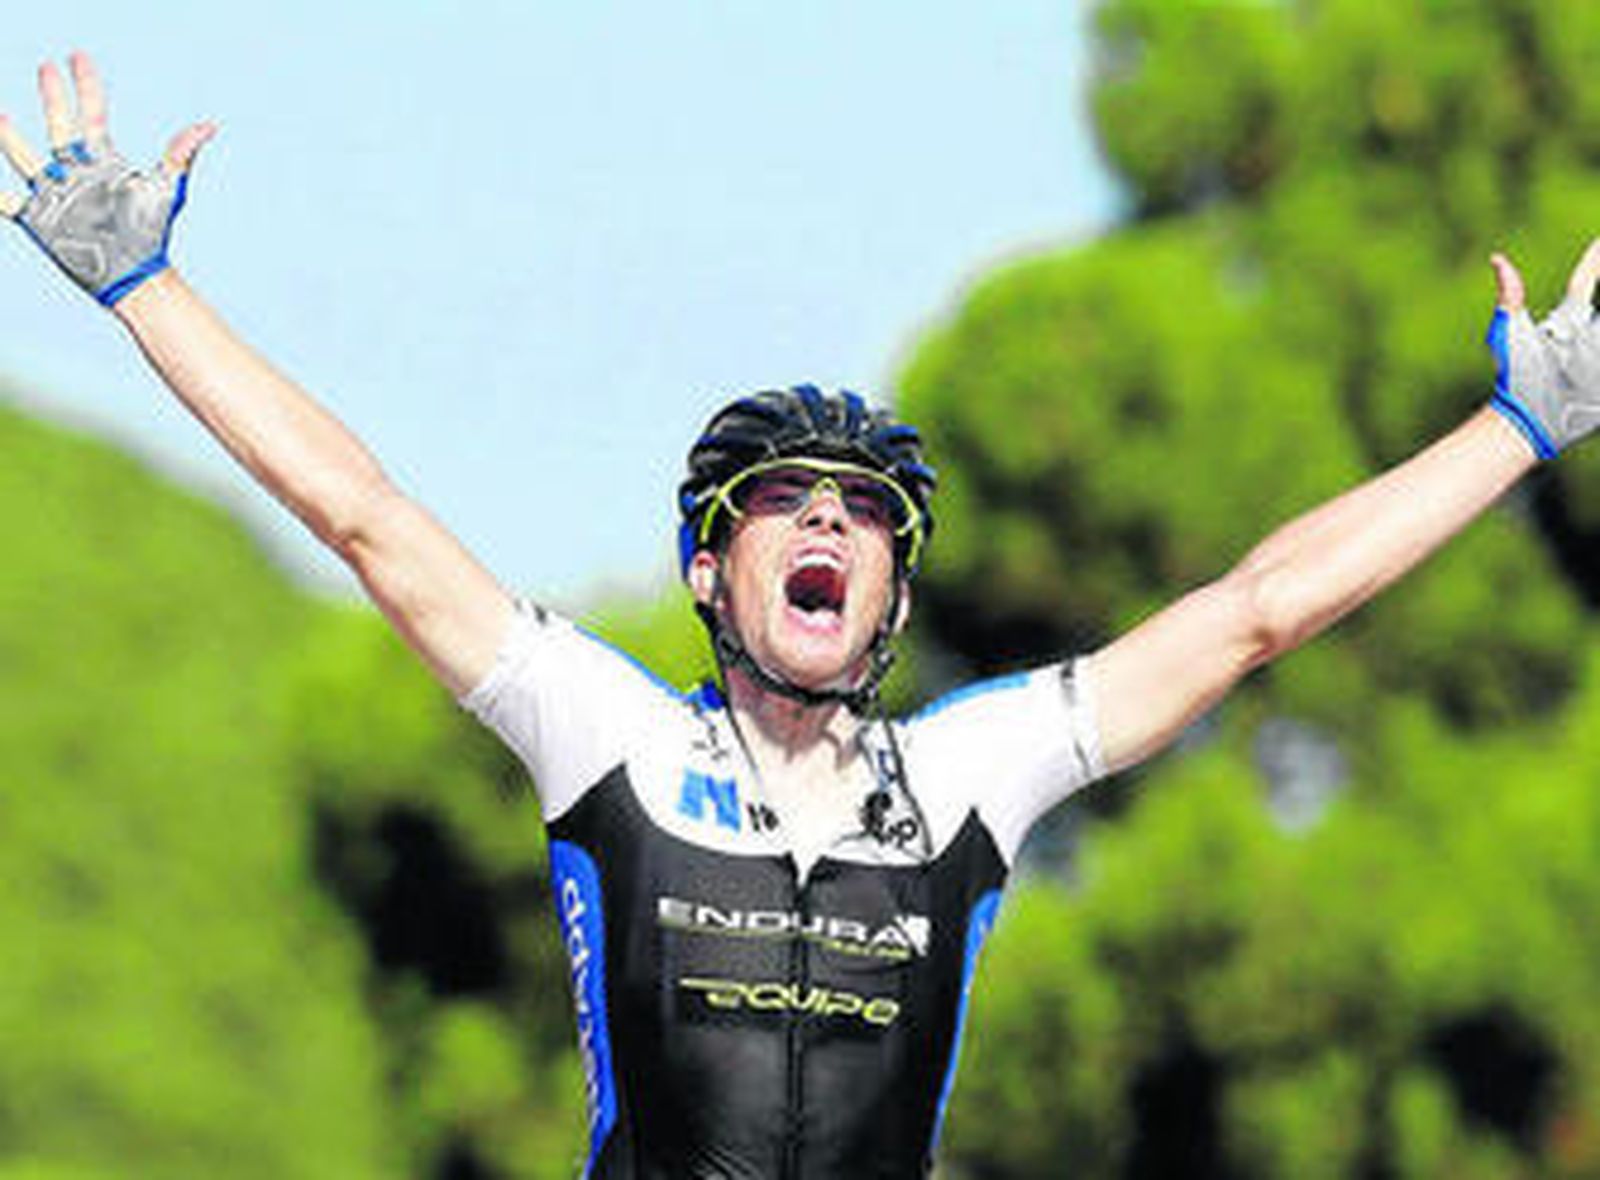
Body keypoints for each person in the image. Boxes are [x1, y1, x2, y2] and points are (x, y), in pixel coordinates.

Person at [4, 52, 1597, 1180]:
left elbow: (1255, 612)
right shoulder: (607, 732)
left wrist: (1520, 429)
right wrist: (143, 289)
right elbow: (363, 513)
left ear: (894, 591)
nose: (828, 520)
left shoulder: (969, 779)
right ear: (713, 571)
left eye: (867, 515)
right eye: (783, 503)